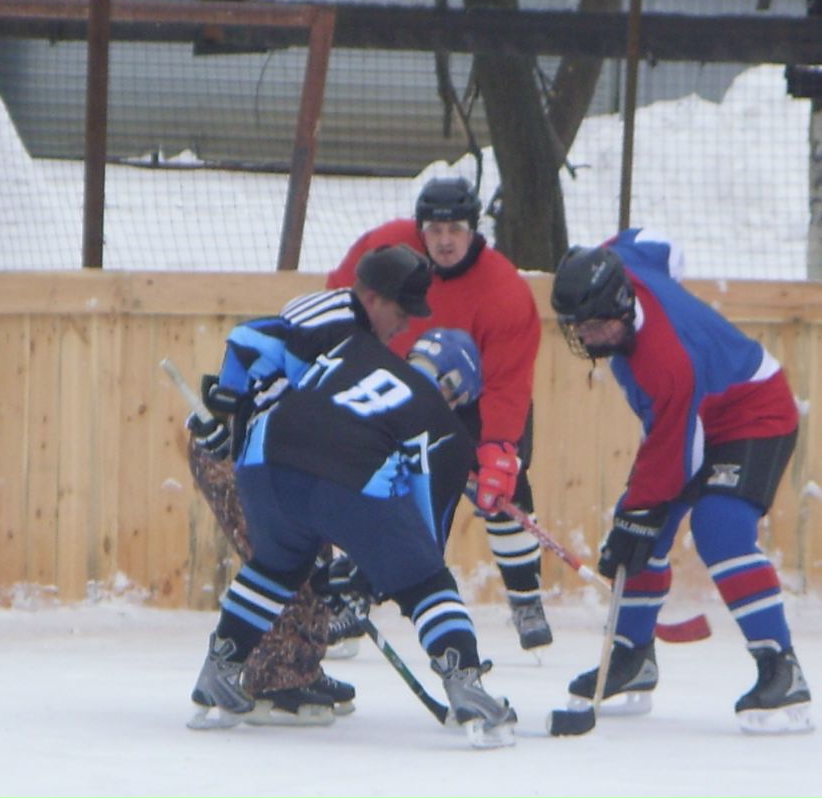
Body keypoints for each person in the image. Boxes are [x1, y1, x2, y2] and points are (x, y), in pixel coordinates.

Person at [187, 323, 517, 748]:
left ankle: (218, 675)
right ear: (457, 390)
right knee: (429, 582)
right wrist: (367, 578)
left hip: (263, 458)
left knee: (275, 566)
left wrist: (230, 398)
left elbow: (254, 337)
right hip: (347, 476)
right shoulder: (445, 428)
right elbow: (422, 544)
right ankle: (466, 686)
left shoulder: (358, 350)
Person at [549, 228, 812, 734]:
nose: (584, 337)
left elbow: (680, 457)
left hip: (754, 413)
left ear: (623, 308)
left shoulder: (664, 364)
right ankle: (631, 661)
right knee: (643, 534)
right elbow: (660, 243)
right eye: (575, 326)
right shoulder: (620, 261)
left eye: (595, 326)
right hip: (698, 415)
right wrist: (639, 522)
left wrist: (637, 519)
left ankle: (783, 669)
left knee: (719, 530)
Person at [185, 244, 434, 725]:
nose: (405, 327)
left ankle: (271, 669)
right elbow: (246, 336)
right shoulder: (332, 317)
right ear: (375, 297)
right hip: (242, 452)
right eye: (401, 314)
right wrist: (224, 409)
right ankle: (278, 678)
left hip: (279, 454)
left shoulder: (359, 337)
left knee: (298, 556)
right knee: (287, 559)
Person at [326, 177, 551, 651]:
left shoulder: (504, 290)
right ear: (419, 227)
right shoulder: (385, 247)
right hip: (401, 391)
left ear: (474, 229)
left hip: (476, 400)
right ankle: (353, 597)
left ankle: (525, 597)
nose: (445, 240)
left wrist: (498, 451)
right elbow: (339, 300)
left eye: (457, 229)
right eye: (434, 229)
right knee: (382, 489)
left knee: (508, 493)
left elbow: (508, 382)